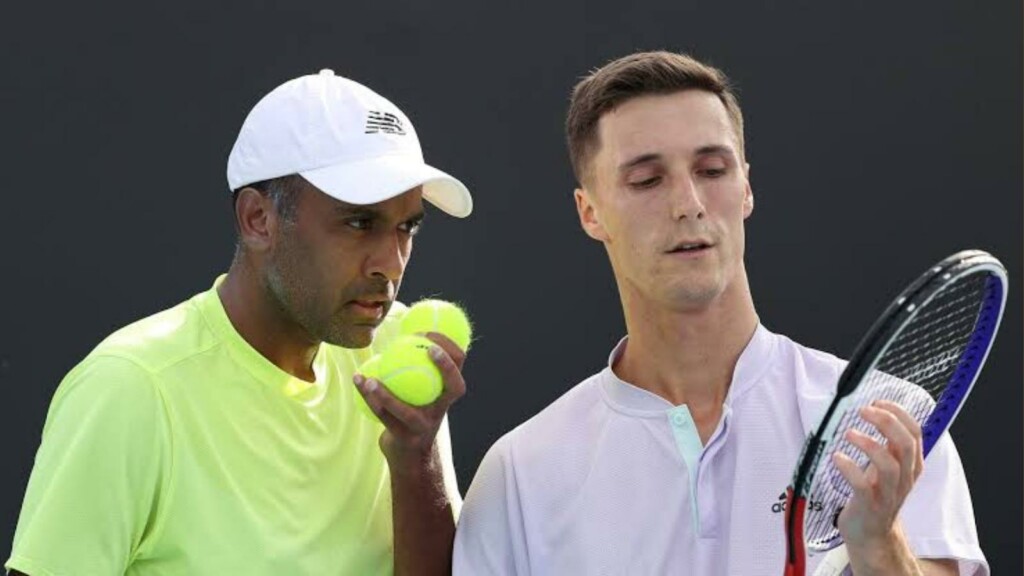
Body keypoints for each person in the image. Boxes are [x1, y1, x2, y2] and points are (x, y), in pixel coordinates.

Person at [453, 52, 987, 575]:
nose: (688, 202)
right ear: (590, 212)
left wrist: (879, 545)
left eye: (711, 170)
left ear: (746, 187)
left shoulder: (889, 425)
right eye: (646, 180)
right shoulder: (518, 473)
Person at [7, 69, 473, 575]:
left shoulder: (393, 350)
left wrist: (415, 454)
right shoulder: (131, 388)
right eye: (359, 222)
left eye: (406, 227)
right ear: (258, 220)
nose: (391, 262)